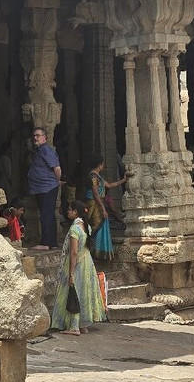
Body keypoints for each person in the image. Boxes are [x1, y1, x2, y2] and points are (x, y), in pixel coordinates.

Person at [50, 200, 107, 335]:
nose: (68, 212)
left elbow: (73, 252)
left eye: (70, 209)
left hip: (78, 263)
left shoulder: (74, 229)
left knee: (73, 292)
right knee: (83, 292)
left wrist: (71, 274)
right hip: (87, 262)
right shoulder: (85, 226)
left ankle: (74, 326)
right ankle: (83, 326)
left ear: (75, 212)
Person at [85, 155, 131, 260]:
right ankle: (95, 253)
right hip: (94, 205)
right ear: (99, 164)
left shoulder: (98, 176)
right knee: (96, 226)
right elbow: (95, 193)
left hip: (99, 203)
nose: (103, 166)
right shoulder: (93, 176)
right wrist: (103, 208)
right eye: (102, 163)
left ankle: (101, 253)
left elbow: (109, 185)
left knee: (101, 226)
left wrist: (123, 180)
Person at [27, 127, 62, 250]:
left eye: (38, 135)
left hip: (47, 186)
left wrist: (57, 181)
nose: (35, 138)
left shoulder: (46, 150)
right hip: (41, 187)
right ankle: (51, 242)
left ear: (44, 137)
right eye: (34, 136)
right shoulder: (39, 150)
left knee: (46, 215)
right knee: (48, 214)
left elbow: (57, 168)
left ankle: (46, 243)